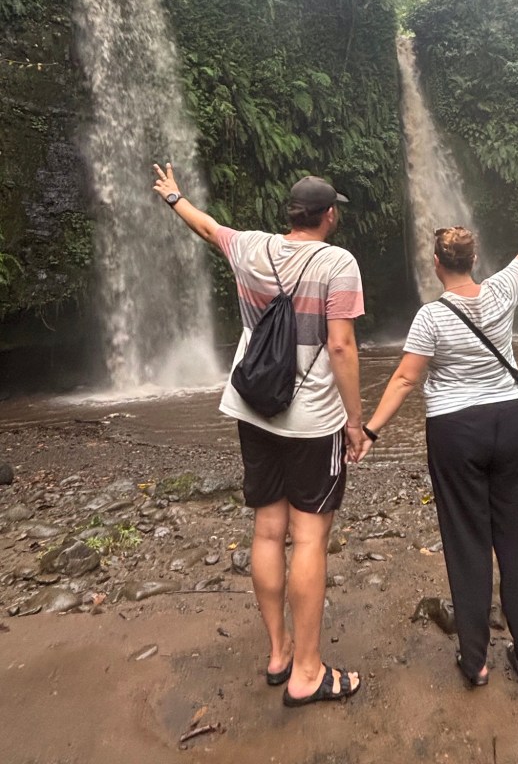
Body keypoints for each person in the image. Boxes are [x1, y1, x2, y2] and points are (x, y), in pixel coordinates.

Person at [359, 174, 518, 687]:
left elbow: (405, 379)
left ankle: (476, 662)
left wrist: (370, 431)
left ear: (437, 264)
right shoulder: (503, 289)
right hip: (510, 421)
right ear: (474, 260)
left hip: (455, 430)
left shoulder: (430, 318)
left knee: (467, 539)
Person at [152, 165, 364, 707]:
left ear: (291, 213)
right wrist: (355, 421)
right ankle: (307, 673)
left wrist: (174, 197)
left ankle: (278, 652)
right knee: (309, 537)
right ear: (329, 215)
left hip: (251, 408)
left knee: (268, 531)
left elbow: (207, 227)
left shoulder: (250, 247)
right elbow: (341, 346)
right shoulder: (338, 263)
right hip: (312, 419)